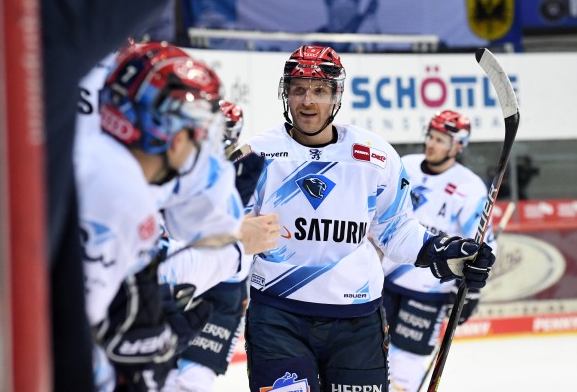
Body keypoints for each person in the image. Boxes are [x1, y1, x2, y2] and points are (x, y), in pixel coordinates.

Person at [239, 45, 496, 392]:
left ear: (336, 96)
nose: (307, 101)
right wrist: (235, 234)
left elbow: (397, 231)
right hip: (277, 316)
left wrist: (441, 249)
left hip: (356, 322)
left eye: (319, 90)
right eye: (298, 89)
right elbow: (215, 233)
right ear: (286, 93)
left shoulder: (375, 156)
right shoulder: (256, 154)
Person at [75, 42, 229, 391]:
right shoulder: (121, 192)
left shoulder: (97, 158)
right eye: (198, 131)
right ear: (172, 135)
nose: (198, 147)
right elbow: (71, 331)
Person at [381, 110, 498, 392]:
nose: (431, 144)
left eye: (441, 140)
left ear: (458, 146)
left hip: (430, 289)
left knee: (406, 366)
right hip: (384, 279)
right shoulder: (404, 166)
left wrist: (472, 290)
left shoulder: (470, 188)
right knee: (371, 356)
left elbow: (484, 245)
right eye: (430, 136)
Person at [162, 101, 266, 392]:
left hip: (221, 289)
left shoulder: (243, 174)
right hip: (180, 276)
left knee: (191, 382)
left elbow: (246, 247)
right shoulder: (172, 163)